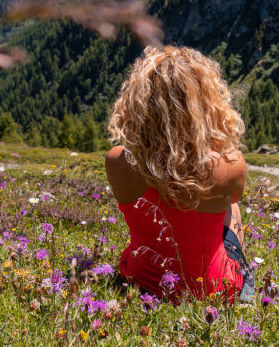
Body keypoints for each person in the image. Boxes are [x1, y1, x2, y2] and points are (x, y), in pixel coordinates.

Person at [105, 45, 254, 304]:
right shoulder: (230, 165)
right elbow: (231, 199)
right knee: (233, 207)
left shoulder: (118, 159)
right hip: (214, 291)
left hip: (142, 282)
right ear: (206, 104)